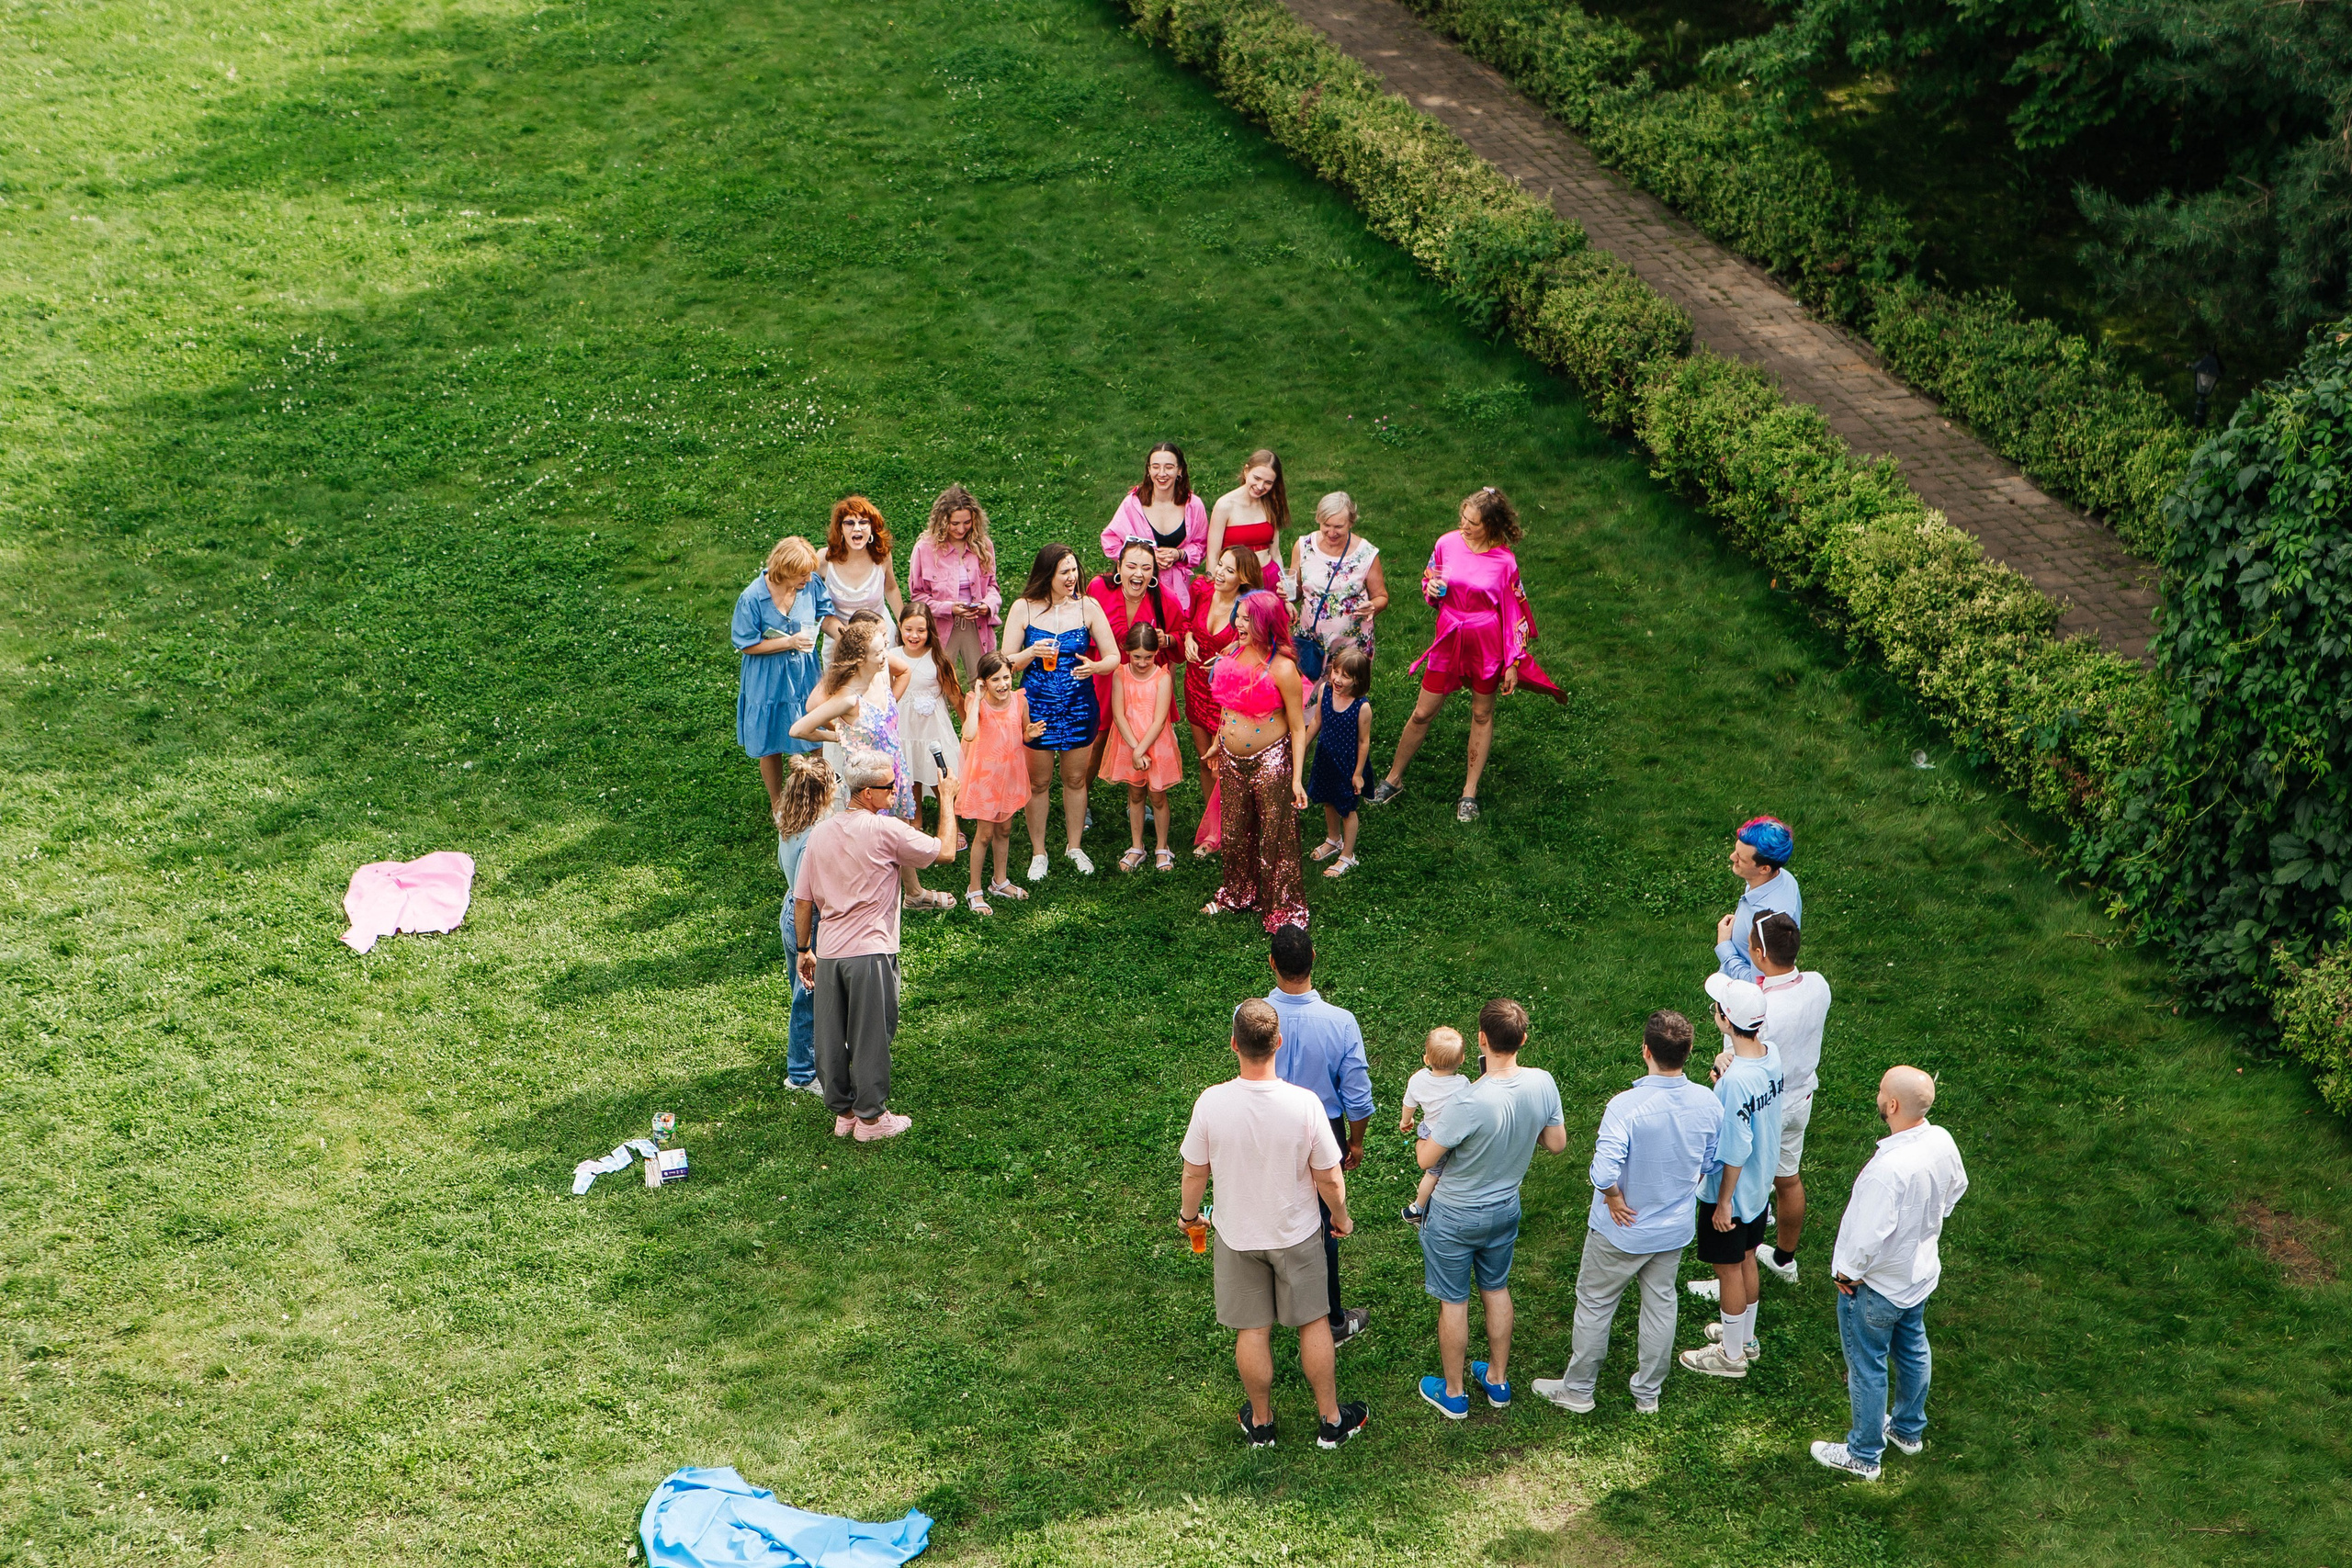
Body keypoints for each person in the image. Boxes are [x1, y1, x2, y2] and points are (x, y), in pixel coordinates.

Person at [1178, 998, 1371, 1451]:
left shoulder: (1211, 1103)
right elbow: (1329, 1177)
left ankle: (1261, 1424)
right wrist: (1340, 1220)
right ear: (1278, 1043)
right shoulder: (1305, 1105)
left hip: (1237, 1237)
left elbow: (1193, 1172)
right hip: (1298, 1235)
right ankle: (1330, 1421)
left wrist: (1190, 1218)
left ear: (1233, 1044)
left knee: (1252, 1330)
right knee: (1314, 1323)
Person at [1532, 1010, 1724, 1416]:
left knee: (1596, 1302)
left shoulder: (1626, 1106)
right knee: (1660, 1305)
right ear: (1688, 1051)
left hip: (1622, 1230)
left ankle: (1580, 1390)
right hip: (1672, 1230)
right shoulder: (1709, 1103)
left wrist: (1614, 1198)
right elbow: (1709, 1163)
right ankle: (1648, 1395)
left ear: (1646, 1051)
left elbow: (1604, 1171)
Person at [1369, 487, 1565, 823]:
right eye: (1463, 517)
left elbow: (1514, 612)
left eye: (1472, 522)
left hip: (1486, 644)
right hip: (1448, 637)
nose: (1464, 526)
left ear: (1491, 525)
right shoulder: (1447, 543)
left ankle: (1469, 794)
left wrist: (1513, 662)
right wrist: (1430, 591)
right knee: (1422, 712)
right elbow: (1431, 579)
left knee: (1481, 714)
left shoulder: (1505, 562)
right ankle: (1393, 779)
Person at [792, 750, 958, 1142]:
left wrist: (804, 949)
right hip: (871, 952)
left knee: (831, 1036)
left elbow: (803, 900)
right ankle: (871, 1120)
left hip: (830, 953)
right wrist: (947, 799)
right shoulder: (887, 831)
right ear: (867, 793)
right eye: (888, 786)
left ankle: (844, 1113)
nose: (895, 790)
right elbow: (946, 851)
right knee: (870, 1035)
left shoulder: (820, 833)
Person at [1811, 1066, 1969, 1481]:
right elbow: (1957, 1187)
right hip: (1917, 1276)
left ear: (1893, 1105)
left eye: (1881, 1090)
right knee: (1914, 1350)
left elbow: (1867, 1236)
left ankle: (1864, 1455)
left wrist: (1847, 1273)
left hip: (1876, 1287)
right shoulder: (1942, 1140)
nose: (1878, 1095)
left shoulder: (1888, 1170)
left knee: (1868, 1366)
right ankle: (1907, 1430)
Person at [1413, 998, 1567, 1419]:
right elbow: (1556, 1143)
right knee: (1496, 1289)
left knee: (1454, 1300)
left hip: (1454, 1215)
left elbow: (1427, 1159)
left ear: (1481, 1040)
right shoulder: (1543, 1083)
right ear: (1523, 1039)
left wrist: (1421, 1135)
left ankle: (1455, 1393)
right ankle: (1498, 1382)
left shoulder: (1469, 1101)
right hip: (1505, 1208)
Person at [1262, 924, 1374, 1347]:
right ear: (1314, 960)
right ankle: (1331, 1319)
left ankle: (1266, 1307)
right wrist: (1355, 1140)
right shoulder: (1341, 1023)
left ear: (1272, 964)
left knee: (1270, 1208)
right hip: (1321, 1132)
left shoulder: (1252, 1015)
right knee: (1327, 1224)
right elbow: (1358, 1099)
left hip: (1265, 1127)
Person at [791, 621, 950, 912]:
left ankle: (913, 892)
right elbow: (799, 729)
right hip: (869, 783)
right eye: (880, 650)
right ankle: (861, 902)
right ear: (861, 658)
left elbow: (902, 670)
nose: (886, 653)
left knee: (898, 829)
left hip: (894, 771)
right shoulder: (848, 699)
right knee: (869, 845)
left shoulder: (880, 676)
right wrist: (836, 736)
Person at [1677, 975, 1784, 1379]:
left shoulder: (1735, 1083)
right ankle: (1746, 1339)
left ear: (1724, 1020)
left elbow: (1735, 1148)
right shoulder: (1770, 1054)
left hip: (1734, 1192)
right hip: (1760, 1186)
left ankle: (1730, 1356)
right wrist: (1725, 1067)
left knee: (1728, 1269)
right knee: (1746, 1258)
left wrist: (1723, 1203)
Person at [1001, 544, 1120, 882]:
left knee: (1075, 779)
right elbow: (1005, 661)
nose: (1071, 577)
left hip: (1079, 705)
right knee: (1039, 782)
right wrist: (1030, 652)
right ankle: (1039, 852)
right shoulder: (1023, 608)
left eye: (1073, 570)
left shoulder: (1088, 607)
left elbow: (1114, 657)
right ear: (1047, 574)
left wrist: (1095, 667)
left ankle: (1074, 846)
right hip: (1037, 707)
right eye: (1063, 571)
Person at [1201, 592, 1310, 931]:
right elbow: (1227, 704)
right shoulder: (1233, 653)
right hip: (1232, 760)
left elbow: (1297, 727)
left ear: (1266, 623)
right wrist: (1219, 741)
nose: (1238, 623)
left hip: (1271, 760)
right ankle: (1237, 893)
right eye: (1239, 616)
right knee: (1234, 831)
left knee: (1276, 835)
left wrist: (1295, 779)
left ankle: (1284, 908)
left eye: (1247, 618)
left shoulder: (1283, 668)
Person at [1750, 911, 1831, 1282]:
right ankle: (1785, 1262)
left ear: (1758, 951)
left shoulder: (1758, 1007)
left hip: (1762, 1107)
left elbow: (1742, 1065)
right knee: (1788, 1179)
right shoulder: (1818, 984)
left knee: (1744, 1191)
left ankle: (1733, 1277)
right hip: (1800, 1100)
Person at [733, 536, 832, 821]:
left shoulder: (810, 584)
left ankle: (816, 798)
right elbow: (746, 643)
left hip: (803, 673)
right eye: (801, 573)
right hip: (767, 677)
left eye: (809, 572)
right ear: (784, 569)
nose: (807, 578)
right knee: (771, 740)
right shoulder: (753, 597)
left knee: (813, 734)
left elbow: (824, 614)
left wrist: (844, 634)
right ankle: (778, 803)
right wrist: (789, 643)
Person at [1183, 546, 1265, 852]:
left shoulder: (1248, 609)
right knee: (1206, 760)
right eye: (1219, 565)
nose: (1219, 573)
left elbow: (1257, 651)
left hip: (1226, 696)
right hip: (1195, 686)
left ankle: (1236, 826)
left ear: (1243, 578)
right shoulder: (1201, 590)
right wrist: (1190, 637)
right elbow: (1187, 622)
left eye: (1229, 570)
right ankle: (1213, 826)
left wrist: (1231, 655)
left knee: (1228, 765)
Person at [956, 652, 1045, 915]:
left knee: (1004, 829)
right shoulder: (976, 702)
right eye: (995, 680)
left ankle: (1000, 880)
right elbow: (969, 733)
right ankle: (974, 888)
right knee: (984, 834)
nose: (1003, 684)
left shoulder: (1019, 700)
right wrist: (977, 699)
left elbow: (1024, 734)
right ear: (983, 682)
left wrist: (1029, 734)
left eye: (1006, 677)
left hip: (1010, 774)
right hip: (985, 778)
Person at [1084, 539, 1175, 787]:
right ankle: (1080, 795)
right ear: (1119, 566)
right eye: (1131, 566)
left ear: (1154, 572)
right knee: (1097, 737)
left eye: (1146, 568)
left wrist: (1167, 639)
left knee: (1143, 734)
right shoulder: (1097, 589)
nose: (1138, 574)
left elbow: (1181, 632)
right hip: (1104, 674)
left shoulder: (1164, 599)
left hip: (1142, 679)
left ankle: (1138, 793)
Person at [773, 752, 837, 1096]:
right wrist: (805, 947)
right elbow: (807, 896)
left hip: (789, 911)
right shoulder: (816, 837)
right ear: (822, 794)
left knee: (803, 993)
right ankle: (800, 1074)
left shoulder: (787, 817)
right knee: (808, 998)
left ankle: (812, 1053)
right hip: (805, 919)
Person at [1285, 491, 1388, 696]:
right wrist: (1287, 593)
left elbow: (1381, 596)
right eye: (1326, 525)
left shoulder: (1366, 554)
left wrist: (1373, 606)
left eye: (1338, 527)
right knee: (1304, 697)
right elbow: (1296, 592)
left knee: (1343, 700)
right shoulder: (1304, 546)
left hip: (1350, 644)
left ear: (1351, 522)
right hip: (1310, 641)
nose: (1331, 532)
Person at [1101, 625, 1182, 873]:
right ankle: (1137, 846)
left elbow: (1159, 720)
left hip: (1156, 744)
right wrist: (1135, 749)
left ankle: (1162, 847)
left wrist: (1142, 750)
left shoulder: (1163, 677)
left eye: (1148, 657)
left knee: (1157, 795)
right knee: (1135, 794)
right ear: (1126, 652)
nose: (1142, 662)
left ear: (1156, 653)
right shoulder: (1120, 674)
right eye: (1136, 657)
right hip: (1129, 742)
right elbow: (1119, 714)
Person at [907, 484, 1001, 689]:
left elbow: (993, 586)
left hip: (977, 624)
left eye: (967, 522)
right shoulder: (925, 549)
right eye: (954, 523)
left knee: (983, 683)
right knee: (936, 685)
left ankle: (977, 720)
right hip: (941, 626)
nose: (961, 529)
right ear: (942, 521)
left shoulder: (983, 545)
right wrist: (949, 608)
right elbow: (918, 596)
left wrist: (987, 605)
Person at [1102, 442, 1208, 618]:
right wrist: (1143, 558)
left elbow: (1201, 545)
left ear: (1180, 470)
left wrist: (1179, 554)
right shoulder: (1132, 504)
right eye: (1156, 467)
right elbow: (1110, 541)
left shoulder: (1193, 505)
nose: (1162, 473)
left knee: (1172, 637)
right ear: (1149, 470)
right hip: (1138, 587)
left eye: (1169, 467)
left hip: (1176, 592)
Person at [894, 604, 966, 845]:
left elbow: (955, 696)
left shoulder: (937, 659)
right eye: (909, 629)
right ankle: (915, 820)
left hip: (932, 728)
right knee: (910, 771)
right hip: (904, 726)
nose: (914, 636)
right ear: (900, 628)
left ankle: (949, 821)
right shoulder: (892, 657)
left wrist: (967, 724)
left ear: (930, 631)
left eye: (921, 630)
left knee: (938, 774)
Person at [1304, 643, 1372, 879]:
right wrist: (1303, 745)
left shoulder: (1361, 708)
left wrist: (1358, 773)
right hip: (1326, 757)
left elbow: (1364, 742)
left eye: (1346, 676)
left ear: (1359, 680)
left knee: (1347, 809)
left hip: (1348, 764)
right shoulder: (1325, 691)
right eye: (1336, 672)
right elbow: (1316, 723)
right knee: (1327, 800)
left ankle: (1348, 855)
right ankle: (1333, 839)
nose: (1338, 679)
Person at [1397, 1025, 1470, 1226]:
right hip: (1454, 1134)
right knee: (1442, 1171)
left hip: (1430, 1132)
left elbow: (1409, 1104)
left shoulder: (1418, 1079)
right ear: (1461, 1060)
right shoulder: (1462, 1084)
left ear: (1426, 1059)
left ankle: (1418, 1209)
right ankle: (1423, 1208)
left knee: (1433, 1173)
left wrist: (1406, 1122)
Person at [1715, 816, 1802, 981]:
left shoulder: (1770, 923)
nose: (1732, 858)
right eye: (1736, 851)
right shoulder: (1782, 878)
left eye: (1741, 858)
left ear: (1764, 869)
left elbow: (1758, 983)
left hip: (1741, 999)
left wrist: (1724, 946)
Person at [818, 496, 903, 655]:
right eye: (850, 523)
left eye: (863, 522)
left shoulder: (882, 556)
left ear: (872, 527)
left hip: (880, 638)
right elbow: (809, 597)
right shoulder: (824, 559)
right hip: (840, 640)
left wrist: (903, 624)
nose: (857, 528)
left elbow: (891, 589)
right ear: (840, 529)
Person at [1206, 448, 1289, 597]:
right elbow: (1213, 555)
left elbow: (1275, 552)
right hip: (1236, 583)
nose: (1260, 487)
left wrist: (1284, 583)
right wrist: (1213, 591)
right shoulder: (1225, 505)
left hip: (1269, 578)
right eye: (1257, 478)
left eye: (1268, 483)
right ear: (1246, 471)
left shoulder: (1271, 504)